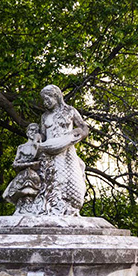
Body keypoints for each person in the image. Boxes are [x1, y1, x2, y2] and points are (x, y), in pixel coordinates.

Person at [37, 84, 89, 216]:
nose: (45, 102)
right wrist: (38, 136)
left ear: (56, 96)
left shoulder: (69, 111)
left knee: (72, 181)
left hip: (67, 152)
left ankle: (70, 206)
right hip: (50, 153)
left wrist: (78, 134)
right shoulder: (44, 116)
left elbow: (84, 128)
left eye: (47, 98)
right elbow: (43, 135)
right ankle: (53, 207)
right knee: (53, 182)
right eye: (43, 99)